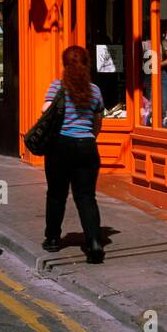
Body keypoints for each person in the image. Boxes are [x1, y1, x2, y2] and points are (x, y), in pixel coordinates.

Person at [40, 45, 105, 264]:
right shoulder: (94, 90)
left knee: (57, 195)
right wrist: (89, 136)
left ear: (64, 64)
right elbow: (98, 123)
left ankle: (52, 239)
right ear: (87, 64)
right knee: (86, 197)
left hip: (60, 145)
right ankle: (94, 243)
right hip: (87, 146)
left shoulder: (57, 88)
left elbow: (44, 111)